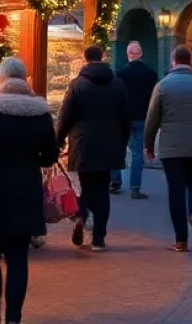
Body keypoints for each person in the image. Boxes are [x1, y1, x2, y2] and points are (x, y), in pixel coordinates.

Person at [0, 57, 58, 324]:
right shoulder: (40, 113)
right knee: (18, 257)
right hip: (24, 192)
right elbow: (49, 156)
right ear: (24, 79)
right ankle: (14, 318)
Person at [144, 45, 192, 252]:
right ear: (190, 61)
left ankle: (181, 240)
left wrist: (148, 145)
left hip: (172, 149)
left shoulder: (162, 86)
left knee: (176, 192)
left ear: (173, 61)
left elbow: (152, 119)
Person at [56, 45, 131, 251]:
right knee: (103, 190)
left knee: (86, 186)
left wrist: (59, 138)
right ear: (103, 57)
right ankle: (99, 238)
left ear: (84, 59)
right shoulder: (117, 85)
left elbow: (66, 116)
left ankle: (80, 215)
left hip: (83, 143)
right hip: (109, 144)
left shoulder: (77, 85)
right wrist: (122, 143)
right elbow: (126, 118)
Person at [113, 40, 159, 198]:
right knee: (138, 152)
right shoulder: (151, 74)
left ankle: (115, 180)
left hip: (123, 117)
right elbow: (153, 98)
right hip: (141, 116)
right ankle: (135, 187)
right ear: (140, 54)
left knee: (118, 148)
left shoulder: (119, 74)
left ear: (128, 55)